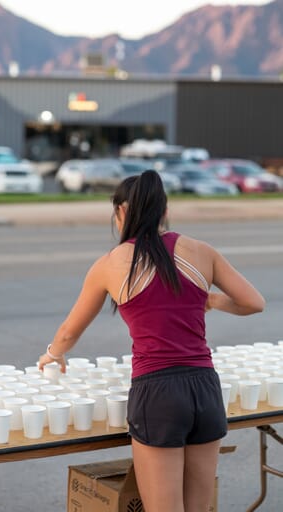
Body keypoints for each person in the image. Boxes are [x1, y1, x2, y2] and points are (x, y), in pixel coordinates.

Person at [39, 170, 265, 512]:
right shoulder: (201, 251)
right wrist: (212, 299)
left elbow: (70, 332)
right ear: (165, 210)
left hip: (156, 393)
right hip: (205, 388)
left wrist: (53, 354)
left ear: (120, 213)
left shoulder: (110, 264)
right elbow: (254, 303)